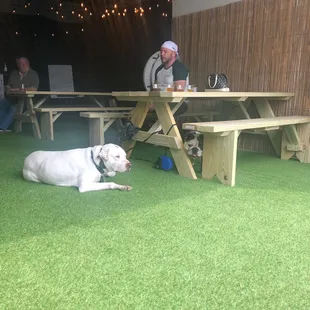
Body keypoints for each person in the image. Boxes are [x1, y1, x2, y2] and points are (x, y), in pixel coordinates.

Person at [150, 41, 189, 115]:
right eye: (161, 52)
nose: (162, 54)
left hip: (177, 103)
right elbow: (155, 90)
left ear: (173, 54)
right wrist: (151, 103)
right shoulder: (158, 70)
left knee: (160, 112)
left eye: (165, 52)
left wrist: (156, 105)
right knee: (140, 109)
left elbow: (179, 92)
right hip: (161, 102)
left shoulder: (179, 67)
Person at [0, 57, 39, 131]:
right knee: (2, 104)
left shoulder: (33, 74)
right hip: (11, 98)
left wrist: (20, 90)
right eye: (19, 64)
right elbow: (8, 85)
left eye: (23, 64)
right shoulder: (14, 73)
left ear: (28, 64)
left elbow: (34, 89)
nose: (21, 66)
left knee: (14, 109)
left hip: (25, 101)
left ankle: (2, 127)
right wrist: (8, 88)